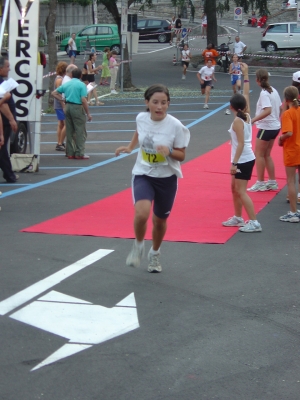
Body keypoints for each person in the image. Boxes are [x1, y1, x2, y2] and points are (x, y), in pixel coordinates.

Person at [115, 84, 190, 273]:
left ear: (168, 104)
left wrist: (170, 151)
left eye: (164, 103)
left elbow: (182, 155)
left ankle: (154, 254)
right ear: (147, 103)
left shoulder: (175, 126)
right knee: (141, 213)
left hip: (166, 178)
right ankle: (138, 246)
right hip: (143, 173)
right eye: (155, 102)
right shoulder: (141, 117)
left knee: (159, 221)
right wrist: (131, 146)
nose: (159, 107)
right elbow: (139, 131)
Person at [222, 63, 262, 233]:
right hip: (243, 157)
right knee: (235, 189)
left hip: (243, 158)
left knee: (241, 191)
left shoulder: (238, 121)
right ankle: (238, 217)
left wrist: (234, 163)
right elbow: (246, 93)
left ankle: (254, 221)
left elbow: (239, 145)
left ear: (232, 107)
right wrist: (245, 75)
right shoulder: (246, 114)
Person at [247, 69, 281, 192]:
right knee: (267, 154)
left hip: (266, 127)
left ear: (257, 80)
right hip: (275, 126)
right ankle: (272, 181)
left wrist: (253, 120)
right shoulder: (273, 91)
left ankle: (260, 181)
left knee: (259, 155)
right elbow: (279, 108)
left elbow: (267, 110)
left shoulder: (264, 93)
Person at [51, 68, 92, 160]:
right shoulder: (81, 85)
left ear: (72, 75)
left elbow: (54, 93)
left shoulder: (66, 84)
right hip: (77, 107)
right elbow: (83, 100)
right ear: (80, 76)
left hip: (68, 106)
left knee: (69, 130)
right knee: (80, 131)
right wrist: (88, 113)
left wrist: (62, 99)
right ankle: (79, 152)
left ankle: (70, 152)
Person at [278, 86, 300, 222]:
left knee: (291, 181)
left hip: (292, 150)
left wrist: (281, 138)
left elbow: (289, 132)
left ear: (286, 99)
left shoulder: (288, 113)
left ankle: (293, 212)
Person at [0, 56, 18, 183]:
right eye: (7, 66)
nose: (9, 69)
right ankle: (9, 174)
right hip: (4, 121)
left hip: (5, 121)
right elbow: (2, 104)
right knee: (2, 148)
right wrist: (11, 119)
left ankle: (9, 174)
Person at [54, 61, 68, 152]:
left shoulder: (60, 78)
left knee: (61, 123)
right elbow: (59, 93)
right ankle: (60, 143)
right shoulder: (59, 80)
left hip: (59, 103)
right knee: (63, 123)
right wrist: (63, 104)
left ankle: (60, 142)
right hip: (60, 104)